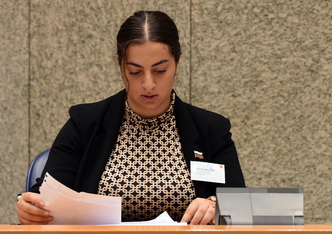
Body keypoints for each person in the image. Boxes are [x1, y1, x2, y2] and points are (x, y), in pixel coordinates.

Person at [17, 10, 245, 225]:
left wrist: (215, 205)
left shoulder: (210, 129)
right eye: (135, 72)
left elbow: (237, 201)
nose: (148, 84)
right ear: (120, 65)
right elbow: (47, 195)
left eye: (160, 70)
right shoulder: (85, 123)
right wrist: (29, 207)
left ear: (177, 63)